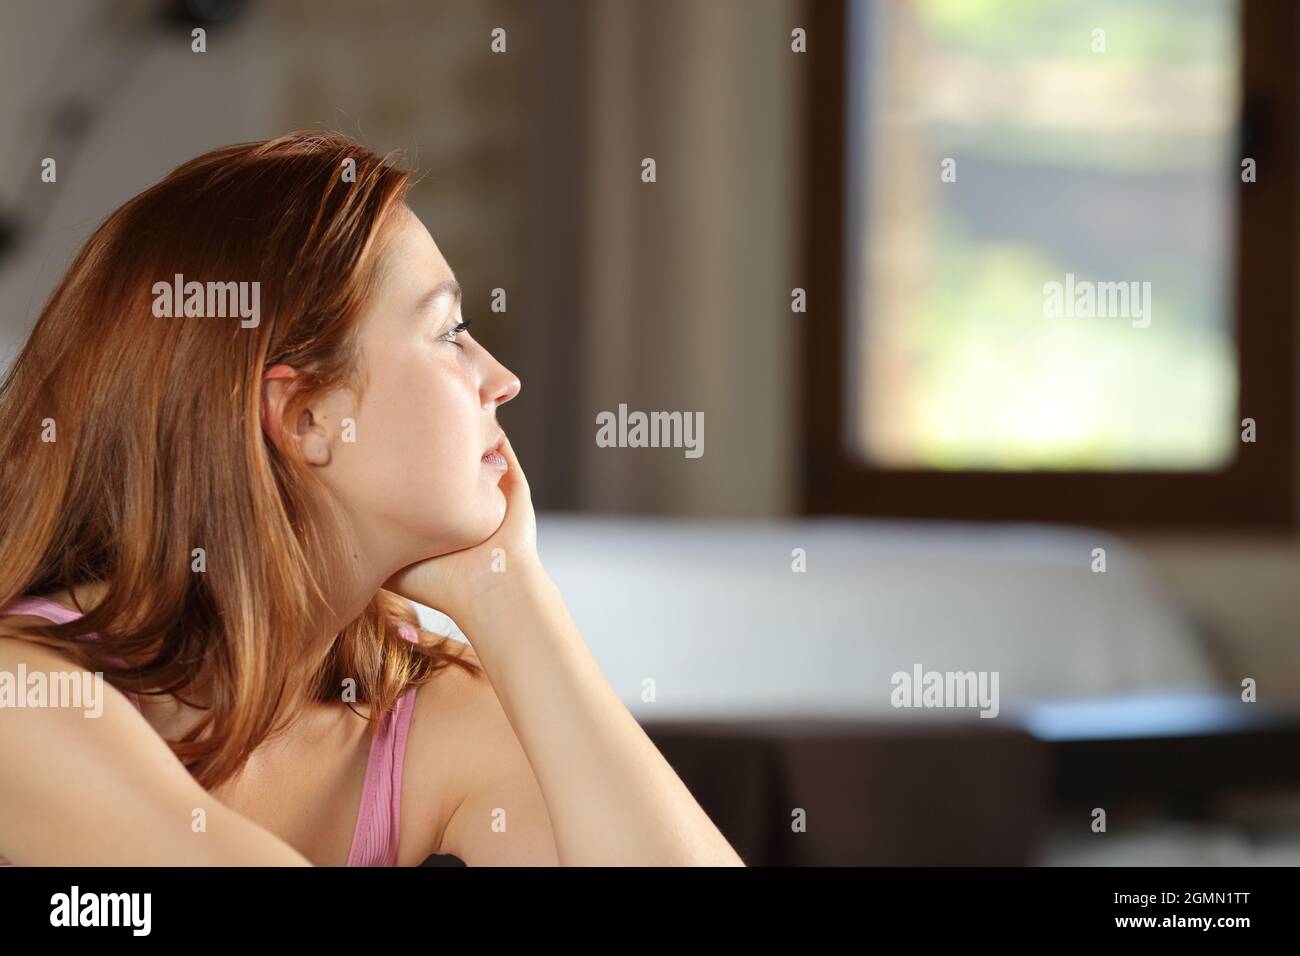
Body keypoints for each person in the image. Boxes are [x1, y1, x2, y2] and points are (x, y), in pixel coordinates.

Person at [0, 131, 744, 867]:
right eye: (449, 332)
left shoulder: (415, 710)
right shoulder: (20, 696)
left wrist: (510, 593)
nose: (502, 378)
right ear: (307, 419)